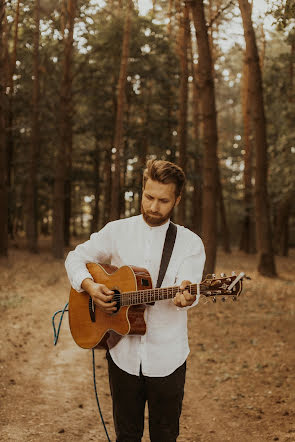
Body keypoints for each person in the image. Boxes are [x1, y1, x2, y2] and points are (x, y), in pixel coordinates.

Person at [65, 159, 206, 442]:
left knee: (165, 435)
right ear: (142, 190)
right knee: (126, 434)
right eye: (149, 197)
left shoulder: (190, 243)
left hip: (168, 358)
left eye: (163, 200)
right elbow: (76, 257)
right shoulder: (116, 231)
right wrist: (91, 287)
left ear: (177, 199)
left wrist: (185, 298)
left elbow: (189, 288)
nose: (154, 207)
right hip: (123, 355)